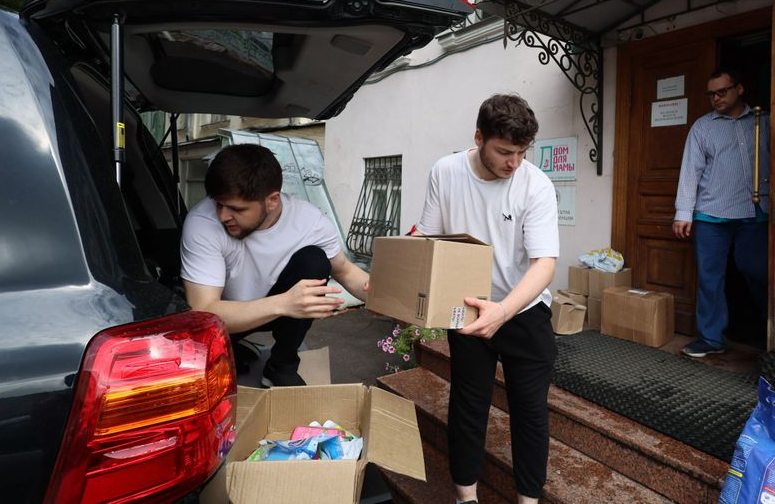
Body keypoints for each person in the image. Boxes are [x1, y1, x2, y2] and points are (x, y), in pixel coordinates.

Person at [415, 94, 559, 504]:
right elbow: (431, 241)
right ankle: (466, 497)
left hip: (524, 309)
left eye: (521, 152)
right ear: (479, 137)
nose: (514, 162)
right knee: (468, 405)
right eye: (504, 152)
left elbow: (543, 264)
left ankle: (528, 500)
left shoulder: (536, 185)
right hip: (468, 306)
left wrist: (505, 310)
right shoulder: (446, 172)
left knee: (530, 413)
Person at [180, 144, 369, 386]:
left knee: (315, 260)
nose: (223, 216)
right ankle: (230, 348)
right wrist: (284, 303)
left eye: (237, 209)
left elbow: (344, 270)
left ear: (272, 200)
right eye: (218, 204)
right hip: (223, 319)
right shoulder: (202, 223)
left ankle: (281, 365)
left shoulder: (310, 221)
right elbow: (204, 310)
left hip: (277, 310)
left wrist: (391, 299)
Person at [673, 68, 769, 358]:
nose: (715, 98)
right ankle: (712, 338)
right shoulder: (703, 127)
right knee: (710, 277)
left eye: (721, 91)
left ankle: (774, 333)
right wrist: (683, 213)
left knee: (758, 271)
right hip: (711, 213)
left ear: (739, 89)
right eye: (711, 94)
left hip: (755, 211)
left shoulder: (765, 121)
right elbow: (690, 171)